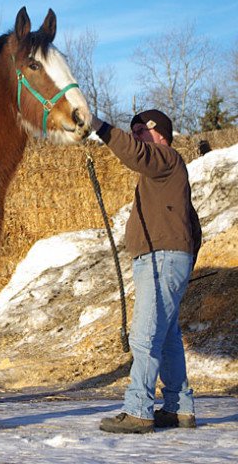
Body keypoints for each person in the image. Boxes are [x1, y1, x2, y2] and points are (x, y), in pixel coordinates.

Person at [91, 109, 202, 434]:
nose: (136, 134)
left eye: (142, 129)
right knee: (167, 339)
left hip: (163, 258)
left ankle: (139, 410)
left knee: (145, 335)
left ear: (161, 133)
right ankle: (179, 408)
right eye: (134, 129)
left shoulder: (166, 158)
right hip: (165, 258)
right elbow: (193, 225)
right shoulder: (163, 175)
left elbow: (134, 153)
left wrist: (99, 126)